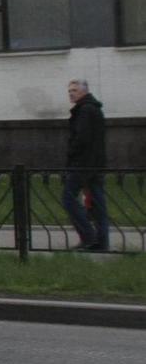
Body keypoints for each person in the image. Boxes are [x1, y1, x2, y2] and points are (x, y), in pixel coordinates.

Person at [63, 78, 109, 252]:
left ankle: (88, 237)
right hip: (96, 164)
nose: (71, 93)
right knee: (98, 204)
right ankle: (101, 243)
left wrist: (71, 155)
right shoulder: (94, 108)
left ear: (84, 91)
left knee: (68, 198)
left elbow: (81, 138)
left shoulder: (85, 110)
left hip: (83, 164)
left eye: (74, 90)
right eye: (69, 91)